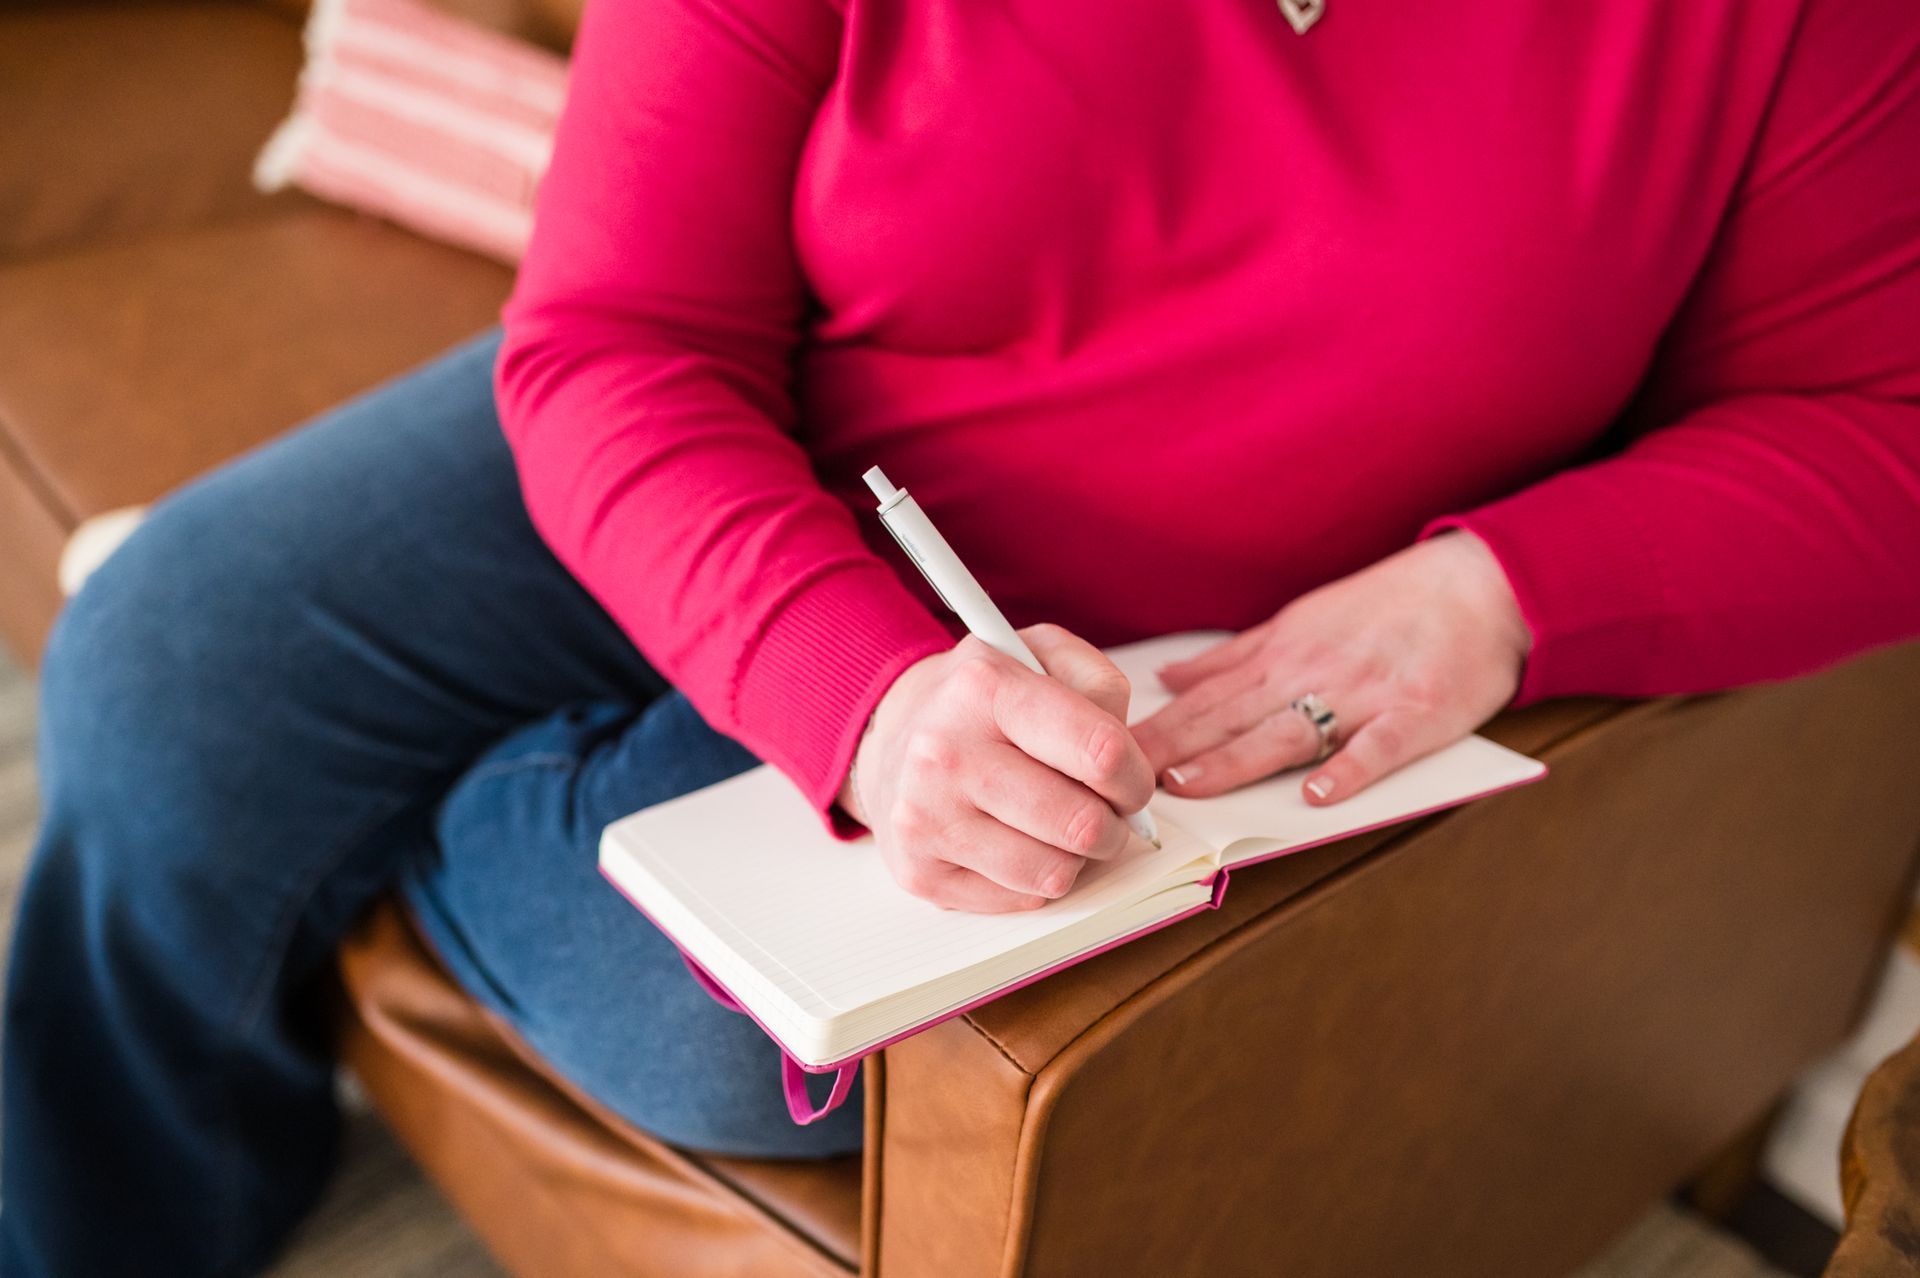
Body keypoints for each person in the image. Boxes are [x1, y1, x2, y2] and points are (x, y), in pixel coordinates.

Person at [5, 0, 1919, 1273]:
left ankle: (408, 807)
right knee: (165, 658)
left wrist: (1498, 590)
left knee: (736, 1032)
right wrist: (861, 698)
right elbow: (614, 337)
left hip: (1174, 648)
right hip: (759, 397)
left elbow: (1885, 425)